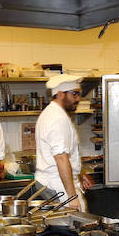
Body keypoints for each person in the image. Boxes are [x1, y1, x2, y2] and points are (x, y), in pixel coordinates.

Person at [35, 74, 92, 211]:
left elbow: (67, 154)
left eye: (79, 94)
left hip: (54, 181)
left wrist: (78, 174)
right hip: (58, 184)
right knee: (77, 225)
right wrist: (72, 197)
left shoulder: (52, 113)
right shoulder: (57, 118)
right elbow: (61, 158)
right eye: (74, 94)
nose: (78, 99)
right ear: (60, 94)